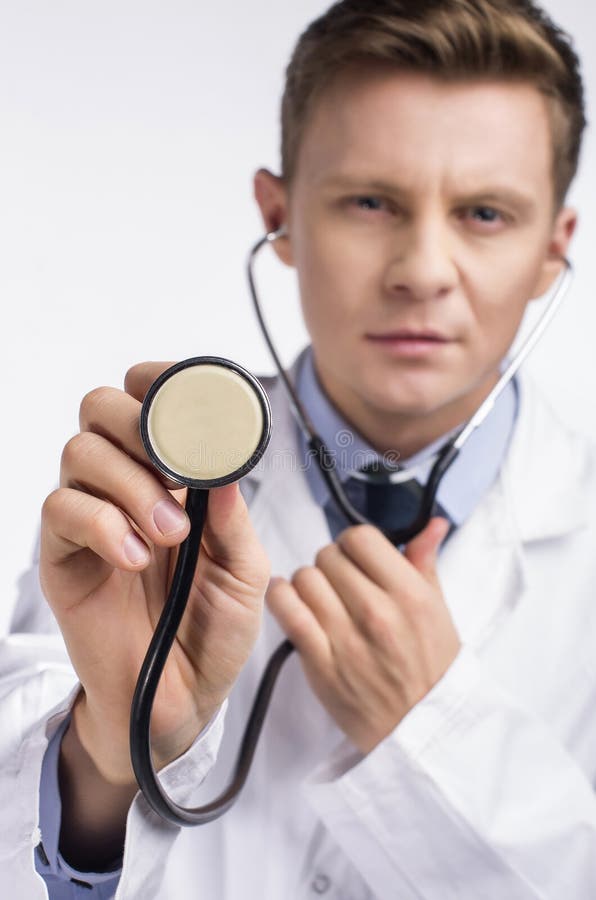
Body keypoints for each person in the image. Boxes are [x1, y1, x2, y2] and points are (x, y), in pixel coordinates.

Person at [2, 0, 595, 896]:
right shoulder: (144, 507)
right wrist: (104, 754)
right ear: (278, 217)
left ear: (555, 249)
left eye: (483, 212)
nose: (423, 269)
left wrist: (433, 735)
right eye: (369, 201)